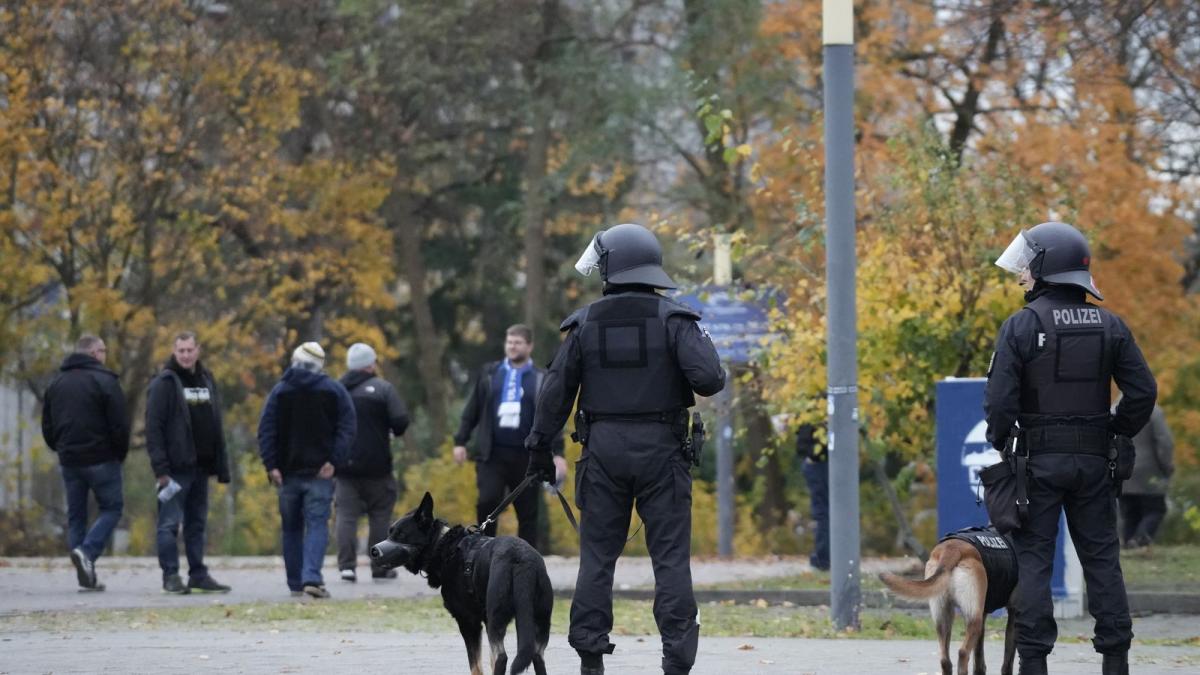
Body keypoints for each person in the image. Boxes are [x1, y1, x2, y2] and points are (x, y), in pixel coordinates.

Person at [525, 223, 725, 675]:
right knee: (670, 559)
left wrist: (539, 448)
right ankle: (676, 660)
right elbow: (710, 378)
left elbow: (555, 393)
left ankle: (591, 658)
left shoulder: (583, 324)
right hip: (663, 450)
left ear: (612, 267)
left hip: (603, 451)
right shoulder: (675, 320)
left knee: (597, 558)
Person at [984, 221, 1156, 675]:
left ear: (1046, 267)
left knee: (1035, 560)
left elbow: (1000, 402)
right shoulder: (1111, 326)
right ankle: (1115, 661)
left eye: (1026, 264)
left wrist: (1002, 441)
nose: (1021, 273)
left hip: (1037, 463)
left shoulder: (1021, 326)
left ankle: (1035, 663)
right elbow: (1143, 392)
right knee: (1102, 559)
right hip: (1095, 461)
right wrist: (1115, 431)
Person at [451, 324, 565, 549]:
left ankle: (527, 561)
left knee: (528, 512)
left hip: (527, 456)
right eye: (509, 342)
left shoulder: (541, 378)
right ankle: (483, 553)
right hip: (492, 453)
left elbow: (550, 417)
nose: (512, 347)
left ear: (529, 346)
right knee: (487, 502)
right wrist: (460, 441)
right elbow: (472, 409)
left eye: (518, 342)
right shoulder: (490, 373)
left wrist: (558, 453)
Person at [257, 341, 356, 599]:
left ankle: (294, 582)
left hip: (287, 474)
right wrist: (334, 460)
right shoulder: (333, 391)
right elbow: (347, 427)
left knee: (291, 528)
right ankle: (312, 577)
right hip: (320, 473)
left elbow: (266, 430)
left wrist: (272, 465)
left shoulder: (280, 392)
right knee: (317, 525)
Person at [145, 331, 232, 595]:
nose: (185, 355)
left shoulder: (207, 379)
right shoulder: (164, 383)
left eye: (189, 350)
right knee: (169, 525)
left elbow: (215, 422)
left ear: (198, 350)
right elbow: (154, 428)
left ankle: (198, 574)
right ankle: (170, 576)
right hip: (174, 471)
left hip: (201, 467)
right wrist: (160, 469)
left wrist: (220, 463)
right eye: (180, 350)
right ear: (174, 351)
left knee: (197, 524)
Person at [41, 334, 130, 591]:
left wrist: (59, 448)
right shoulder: (105, 381)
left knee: (77, 516)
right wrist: (119, 454)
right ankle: (87, 554)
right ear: (93, 353)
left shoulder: (56, 383)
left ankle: (86, 573)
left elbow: (47, 425)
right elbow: (120, 424)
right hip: (102, 458)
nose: (105, 355)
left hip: (70, 460)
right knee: (112, 508)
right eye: (103, 350)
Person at [336, 342, 410, 582]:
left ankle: (347, 567)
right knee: (380, 516)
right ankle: (380, 566)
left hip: (344, 465)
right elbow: (400, 422)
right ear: (370, 364)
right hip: (378, 465)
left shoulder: (337, 390)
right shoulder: (383, 389)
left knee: (346, 516)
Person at [1119, 403, 1174, 548]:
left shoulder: (1114, 409)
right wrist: (1167, 466)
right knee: (1156, 509)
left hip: (1122, 471)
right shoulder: (1153, 411)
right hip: (1149, 472)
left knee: (1130, 514)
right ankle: (1140, 540)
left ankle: (1129, 543)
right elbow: (1164, 442)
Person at [796, 423, 829, 571]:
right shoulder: (818, 412)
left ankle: (823, 559)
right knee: (824, 513)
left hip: (819, 464)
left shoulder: (817, 411)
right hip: (820, 464)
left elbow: (802, 445)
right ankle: (824, 558)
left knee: (823, 513)